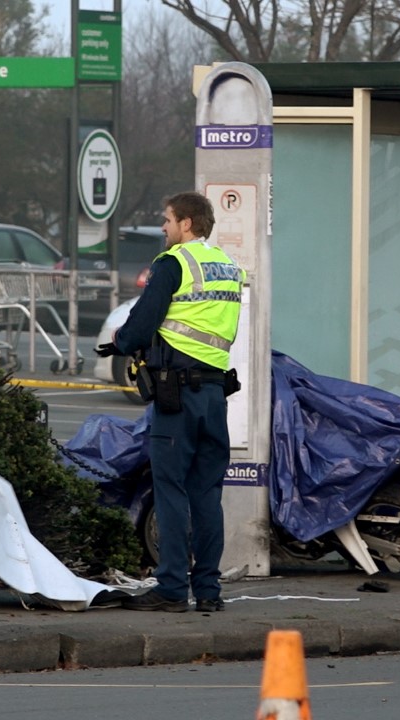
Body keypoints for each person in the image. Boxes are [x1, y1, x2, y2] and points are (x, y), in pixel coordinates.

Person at [96, 192, 244, 613]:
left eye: (167, 220)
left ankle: (173, 588)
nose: (163, 227)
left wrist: (120, 342)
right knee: (207, 494)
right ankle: (210, 592)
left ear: (187, 223)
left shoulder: (173, 263)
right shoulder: (228, 267)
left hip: (176, 396)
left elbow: (143, 323)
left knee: (172, 491)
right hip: (215, 394)